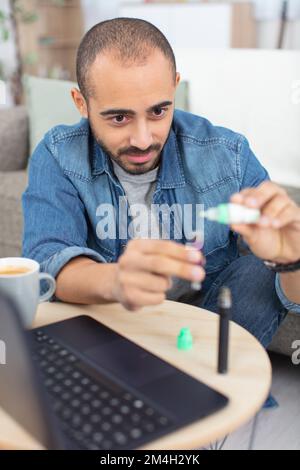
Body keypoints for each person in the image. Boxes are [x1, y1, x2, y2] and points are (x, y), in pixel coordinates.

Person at [22, 18, 300, 348]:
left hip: (208, 337)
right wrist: (116, 280)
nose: (142, 140)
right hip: (113, 330)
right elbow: (47, 261)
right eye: (119, 117)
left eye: (158, 111)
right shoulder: (58, 154)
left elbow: (278, 287)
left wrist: (291, 259)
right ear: (81, 103)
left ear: (174, 87)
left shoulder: (228, 154)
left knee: (266, 259)